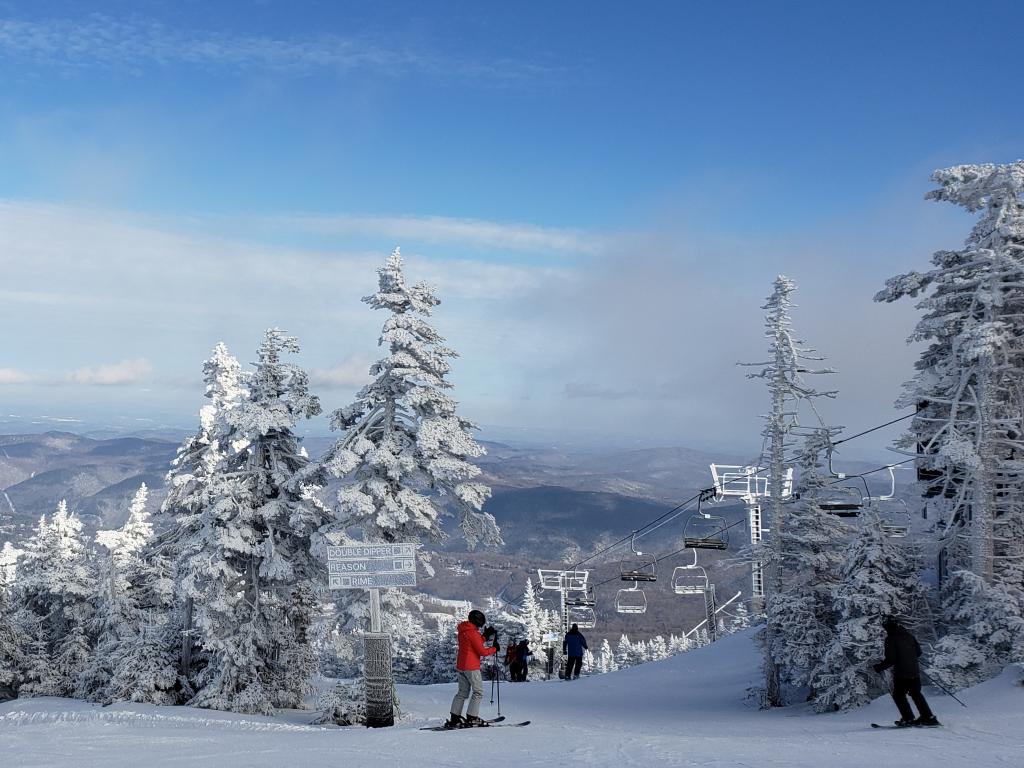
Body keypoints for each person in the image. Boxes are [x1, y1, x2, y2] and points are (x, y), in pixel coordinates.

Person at [873, 617, 940, 727]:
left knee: (898, 695)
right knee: (916, 693)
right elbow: (918, 652)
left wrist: (879, 667)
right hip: (914, 671)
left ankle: (908, 718)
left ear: (888, 627)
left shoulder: (891, 639)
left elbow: (891, 659)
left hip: (901, 673)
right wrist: (908, 657)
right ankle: (928, 717)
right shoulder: (909, 636)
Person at [447, 609, 498, 728]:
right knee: (478, 691)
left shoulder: (464, 630)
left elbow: (473, 642)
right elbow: (482, 651)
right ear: (478, 621)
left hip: (461, 666)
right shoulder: (473, 633)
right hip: (471, 667)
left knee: (462, 692)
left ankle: (454, 717)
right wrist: (494, 648)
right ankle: (472, 717)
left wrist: (484, 636)